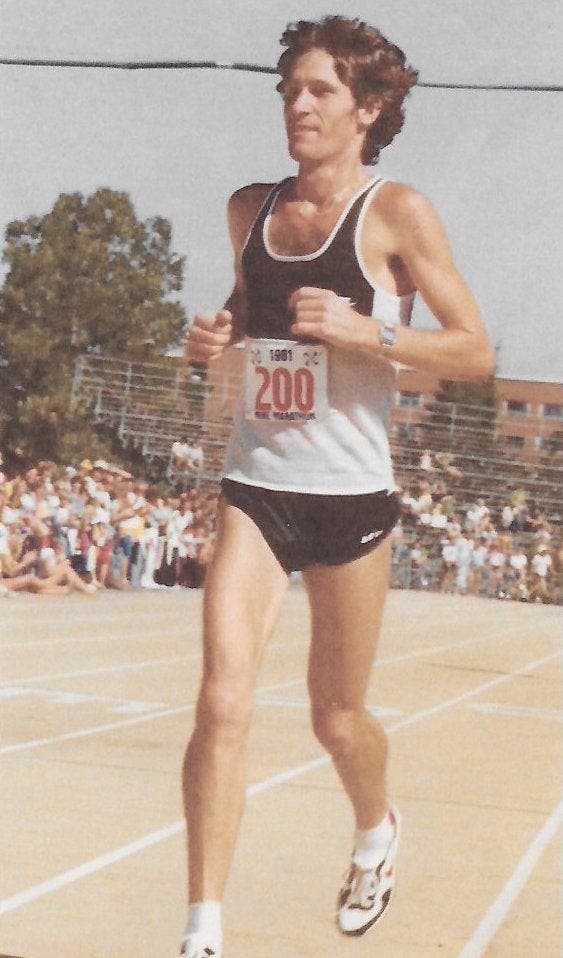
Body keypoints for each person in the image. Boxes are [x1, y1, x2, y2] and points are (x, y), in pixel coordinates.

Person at [180, 15, 494, 958]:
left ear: (368, 106)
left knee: (335, 716)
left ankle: (374, 829)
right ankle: (202, 930)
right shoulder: (250, 208)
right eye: (288, 90)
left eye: (318, 90)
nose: (298, 105)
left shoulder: (396, 213)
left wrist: (371, 333)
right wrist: (213, 339)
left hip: (352, 500)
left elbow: (476, 353)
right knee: (222, 701)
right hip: (257, 488)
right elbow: (247, 314)